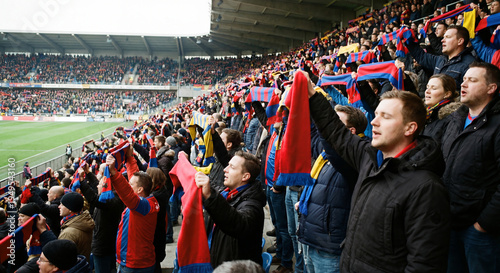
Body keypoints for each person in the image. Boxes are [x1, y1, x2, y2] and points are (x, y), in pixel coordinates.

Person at [305, 70, 450, 272]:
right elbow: (336, 132)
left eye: (386, 116)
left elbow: (424, 264)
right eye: (377, 114)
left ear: (410, 128)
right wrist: (312, 96)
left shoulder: (426, 188)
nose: (374, 121)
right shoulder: (370, 157)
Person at [440, 62, 500, 273]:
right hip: (449, 222)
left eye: (472, 80)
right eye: (464, 79)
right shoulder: (455, 119)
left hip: (480, 230)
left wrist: (484, 224)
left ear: (491, 88)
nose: (463, 84)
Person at [298, 105, 367, 273]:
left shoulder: (353, 158)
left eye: (333, 122)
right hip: (313, 240)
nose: (326, 126)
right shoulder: (325, 156)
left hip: (331, 248)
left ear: (350, 131)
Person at [195, 150, 266, 269]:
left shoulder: (253, 205)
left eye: (232, 167)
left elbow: (239, 223)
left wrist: (210, 197)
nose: (225, 169)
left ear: (245, 176)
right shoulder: (227, 193)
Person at [106, 153, 159, 273]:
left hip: (135, 266)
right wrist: (129, 157)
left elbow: (128, 194)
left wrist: (114, 173)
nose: (129, 186)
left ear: (140, 190)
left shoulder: (144, 206)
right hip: (133, 262)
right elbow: (134, 177)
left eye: (131, 185)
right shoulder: (146, 201)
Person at [408, 25, 476, 87]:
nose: (442, 40)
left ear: (460, 41)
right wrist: (408, 40)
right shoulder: (441, 59)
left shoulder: (470, 65)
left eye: (448, 37)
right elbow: (421, 56)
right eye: (443, 37)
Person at [422, 74, 459, 145]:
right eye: (427, 87)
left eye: (434, 88)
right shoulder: (427, 112)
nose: (427, 91)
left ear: (447, 94)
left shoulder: (452, 118)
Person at [58, 192, 95, 261]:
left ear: (70, 209)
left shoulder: (69, 233)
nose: (59, 206)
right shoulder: (82, 220)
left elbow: (62, 258)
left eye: (62, 205)